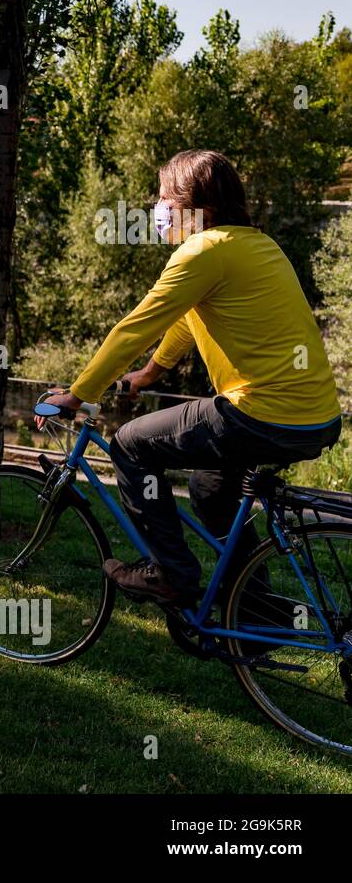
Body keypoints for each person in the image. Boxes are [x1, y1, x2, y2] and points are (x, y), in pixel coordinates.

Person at [40, 149, 342, 606]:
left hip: (259, 414)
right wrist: (146, 375)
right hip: (314, 417)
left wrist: (79, 393)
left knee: (129, 445)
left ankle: (171, 575)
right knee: (208, 489)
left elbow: (133, 327)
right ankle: (255, 613)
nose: (157, 208)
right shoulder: (255, 243)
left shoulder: (202, 251)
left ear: (199, 206)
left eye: (165, 198)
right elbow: (183, 324)